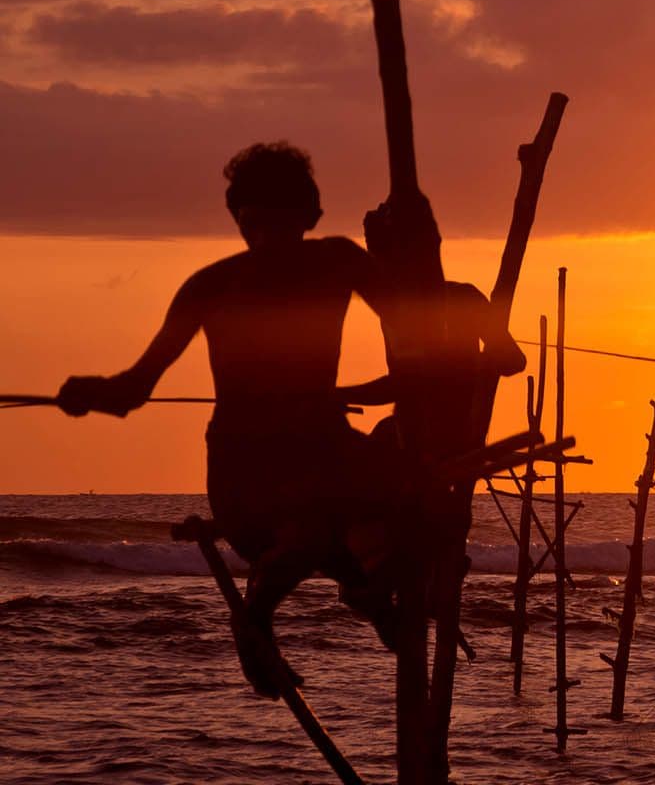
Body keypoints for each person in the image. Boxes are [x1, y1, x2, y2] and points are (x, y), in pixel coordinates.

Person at [56, 142, 424, 698]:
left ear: (310, 218)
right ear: (237, 221)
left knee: (410, 486)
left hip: (323, 451)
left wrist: (372, 385)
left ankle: (362, 586)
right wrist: (88, 391)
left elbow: (414, 336)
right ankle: (262, 617)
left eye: (280, 223)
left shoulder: (340, 261)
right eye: (254, 223)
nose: (267, 239)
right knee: (315, 525)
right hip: (244, 473)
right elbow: (134, 390)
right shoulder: (211, 286)